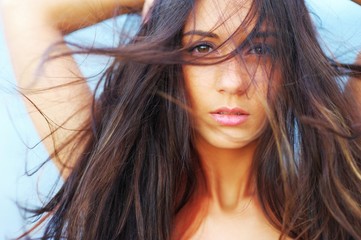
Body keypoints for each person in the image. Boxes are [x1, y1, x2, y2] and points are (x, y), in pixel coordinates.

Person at [1, 0, 361, 239]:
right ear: (168, 61)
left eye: (260, 48)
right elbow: (26, 9)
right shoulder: (120, 193)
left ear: (290, 63)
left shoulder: (335, 196)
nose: (234, 82)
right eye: (202, 48)